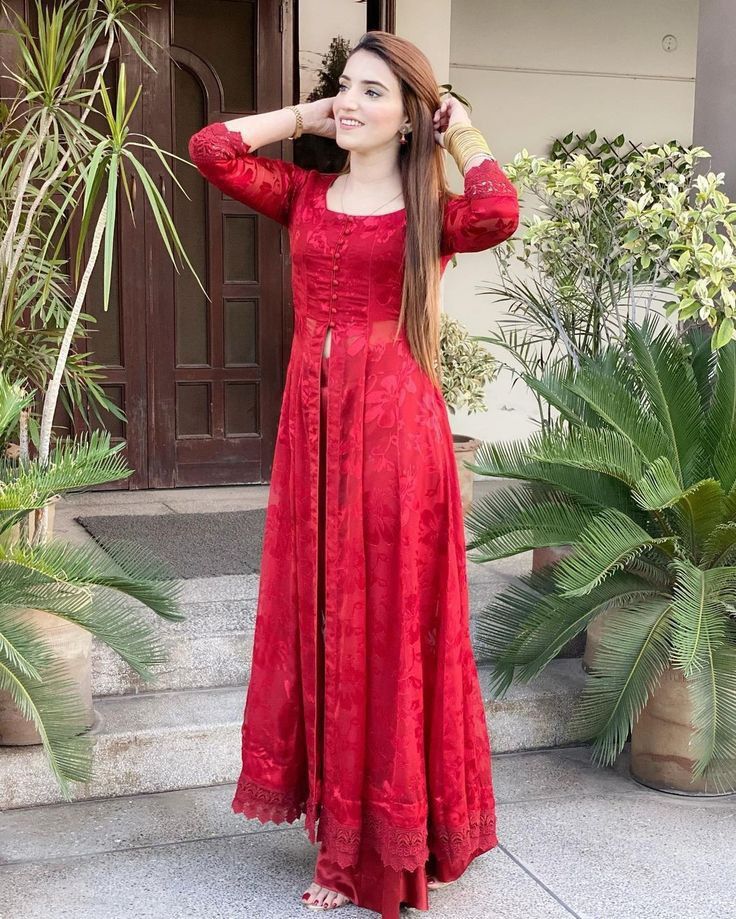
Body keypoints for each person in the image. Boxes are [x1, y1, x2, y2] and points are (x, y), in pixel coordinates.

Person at [188, 29, 519, 919]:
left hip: (399, 444)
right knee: (327, 623)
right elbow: (212, 148)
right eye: (346, 86)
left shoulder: (430, 214)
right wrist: (309, 113)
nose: (352, 101)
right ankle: (341, 825)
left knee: (388, 628)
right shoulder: (304, 195)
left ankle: (369, 854)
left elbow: (498, 213)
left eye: (374, 93)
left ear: (411, 117)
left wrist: (461, 134)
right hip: (315, 437)